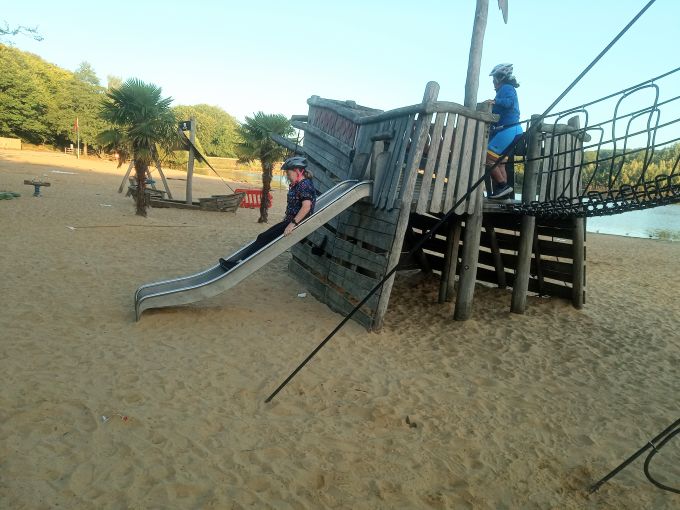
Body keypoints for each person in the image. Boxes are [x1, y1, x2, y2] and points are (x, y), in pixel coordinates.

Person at [219, 156, 316, 271]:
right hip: (290, 221)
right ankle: (238, 262)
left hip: (295, 223)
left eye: (288, 173)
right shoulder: (298, 184)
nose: (287, 176)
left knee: (264, 239)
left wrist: (292, 224)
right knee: (262, 237)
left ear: (297, 171)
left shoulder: (305, 185)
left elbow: (306, 207)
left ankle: (238, 266)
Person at [486, 63, 523, 199]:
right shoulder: (504, 90)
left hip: (508, 129)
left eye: (494, 78)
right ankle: (504, 195)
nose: (493, 82)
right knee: (500, 163)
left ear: (500, 78)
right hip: (514, 130)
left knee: (487, 158)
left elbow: (509, 103)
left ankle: (502, 186)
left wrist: (494, 102)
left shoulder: (507, 88)